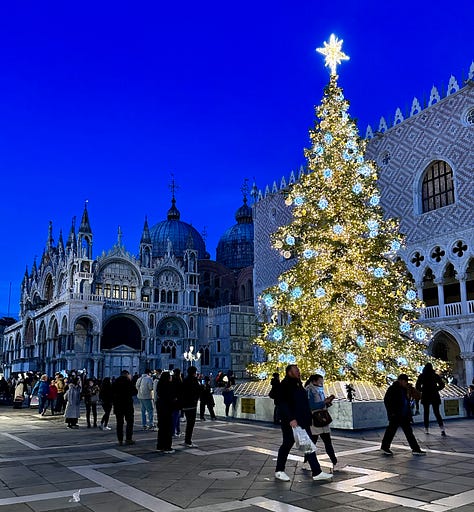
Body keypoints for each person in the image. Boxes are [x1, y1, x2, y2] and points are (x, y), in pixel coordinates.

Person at [275, 364, 332, 482]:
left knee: (308, 445)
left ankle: (317, 472)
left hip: (302, 420)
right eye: (296, 370)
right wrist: (291, 419)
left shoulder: (297, 384)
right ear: (289, 372)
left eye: (298, 370)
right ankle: (279, 470)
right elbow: (283, 403)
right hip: (292, 422)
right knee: (287, 444)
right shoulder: (285, 385)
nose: (298, 372)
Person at [381, 374, 426, 456]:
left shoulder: (406, 389)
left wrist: (411, 389)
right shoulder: (393, 389)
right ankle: (385, 447)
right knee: (391, 431)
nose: (406, 383)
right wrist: (392, 412)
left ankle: (415, 449)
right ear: (401, 381)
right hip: (396, 414)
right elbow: (387, 401)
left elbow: (418, 396)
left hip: (404, 414)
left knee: (408, 432)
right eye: (405, 381)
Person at [305, 374, 337, 470]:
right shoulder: (309, 390)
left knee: (325, 441)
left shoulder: (319, 389)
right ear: (314, 381)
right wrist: (324, 402)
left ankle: (334, 461)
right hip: (315, 419)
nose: (322, 382)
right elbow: (311, 405)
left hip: (322, 417)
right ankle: (307, 462)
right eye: (320, 380)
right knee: (314, 442)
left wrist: (327, 402)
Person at [416, 363, 446, 436]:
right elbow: (442, 385)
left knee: (426, 413)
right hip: (434, 395)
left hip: (426, 395)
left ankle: (426, 429)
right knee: (437, 413)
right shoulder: (435, 376)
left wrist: (423, 390)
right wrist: (436, 389)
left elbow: (417, 386)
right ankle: (442, 429)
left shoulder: (422, 376)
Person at [112, 370, 137, 446]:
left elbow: (112, 392)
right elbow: (135, 392)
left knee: (119, 423)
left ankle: (120, 440)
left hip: (118, 405)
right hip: (127, 405)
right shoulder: (128, 382)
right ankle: (128, 439)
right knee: (129, 422)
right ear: (127, 374)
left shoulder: (115, 382)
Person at [181, 366, 201, 448]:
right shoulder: (194, 380)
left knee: (189, 423)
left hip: (185, 405)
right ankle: (188, 441)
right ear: (194, 373)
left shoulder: (185, 380)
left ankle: (187, 440)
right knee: (191, 423)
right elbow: (198, 391)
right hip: (192, 405)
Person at [155, 371, 175, 453]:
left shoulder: (159, 384)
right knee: (168, 428)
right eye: (170, 376)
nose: (171, 377)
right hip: (167, 408)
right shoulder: (169, 385)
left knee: (161, 428)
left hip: (160, 406)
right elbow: (171, 396)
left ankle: (160, 446)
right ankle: (167, 447)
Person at [171, 369, 183, 437]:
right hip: (177, 401)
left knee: (176, 416)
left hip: (174, 401)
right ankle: (174, 431)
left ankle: (178, 431)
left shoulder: (172, 380)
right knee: (176, 416)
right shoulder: (179, 380)